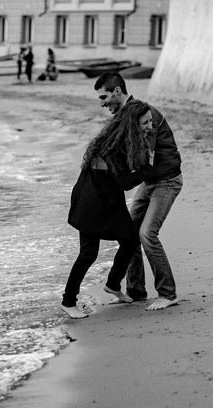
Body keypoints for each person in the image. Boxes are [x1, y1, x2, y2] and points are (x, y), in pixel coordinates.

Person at [94, 72, 183, 311]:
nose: (103, 103)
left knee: (147, 234)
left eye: (104, 97)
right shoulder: (123, 116)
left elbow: (145, 159)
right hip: (149, 181)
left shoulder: (144, 114)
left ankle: (168, 293)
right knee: (128, 233)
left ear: (117, 92)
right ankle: (136, 291)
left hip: (166, 182)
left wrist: (121, 180)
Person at [62, 100, 158, 319]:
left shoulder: (122, 139)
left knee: (129, 241)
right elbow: (124, 182)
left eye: (151, 121)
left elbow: (119, 181)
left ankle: (113, 284)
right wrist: (146, 172)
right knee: (88, 254)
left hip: (107, 199)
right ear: (133, 124)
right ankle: (68, 301)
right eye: (145, 122)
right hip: (92, 201)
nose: (150, 126)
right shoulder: (115, 146)